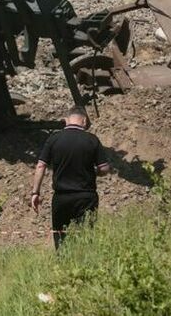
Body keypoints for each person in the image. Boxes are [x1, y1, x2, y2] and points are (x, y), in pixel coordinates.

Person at [30, 106, 110, 248]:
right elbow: (104, 168)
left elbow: (41, 166)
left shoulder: (54, 139)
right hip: (86, 197)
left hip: (62, 198)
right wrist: (92, 172)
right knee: (86, 238)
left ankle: (63, 266)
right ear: (84, 121)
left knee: (61, 240)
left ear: (66, 120)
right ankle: (85, 266)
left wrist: (35, 193)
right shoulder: (92, 140)